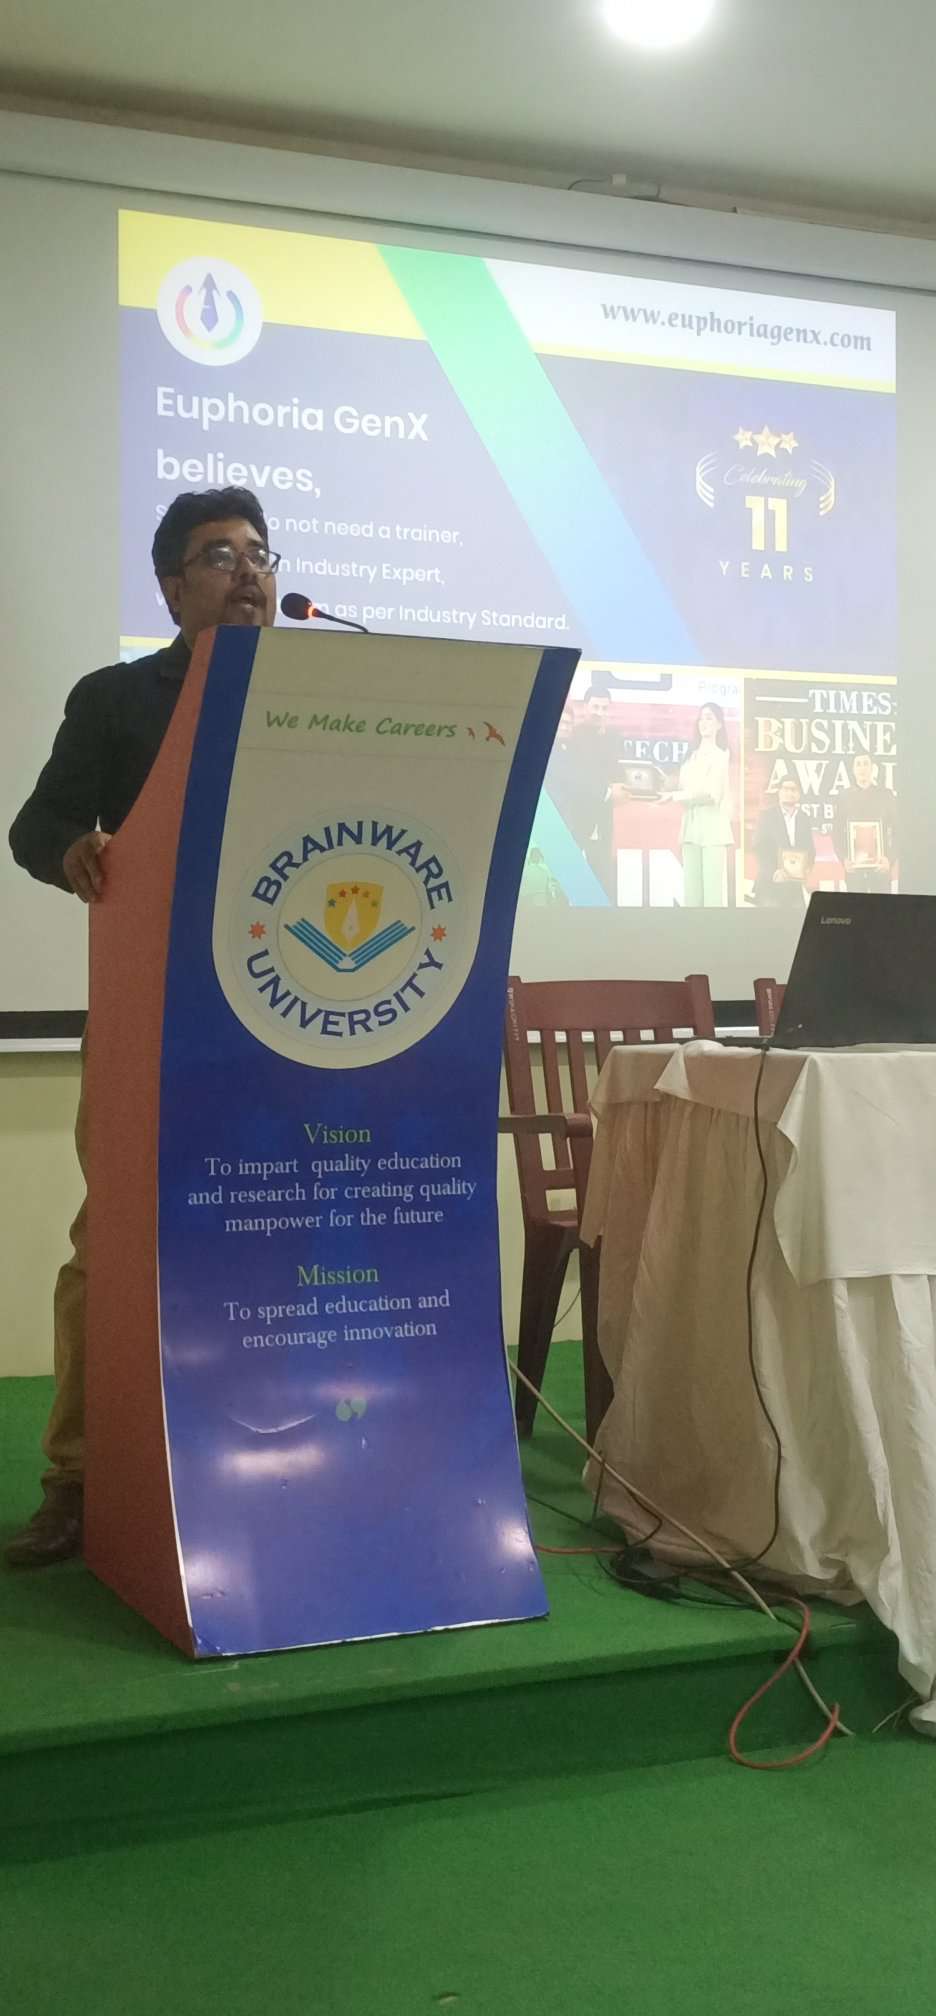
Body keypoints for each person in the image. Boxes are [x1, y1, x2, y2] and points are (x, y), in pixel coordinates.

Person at [6, 488, 278, 1567]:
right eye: (220, 556)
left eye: (260, 553)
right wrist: (73, 848)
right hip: (154, 1015)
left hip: (293, 1017)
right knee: (111, 1243)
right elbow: (37, 824)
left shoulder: (320, 700)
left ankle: (268, 1460)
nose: (249, 572)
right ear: (171, 589)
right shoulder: (119, 698)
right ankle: (78, 1480)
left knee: (273, 1237)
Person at [661, 702, 734, 908]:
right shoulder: (690, 756)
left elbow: (711, 794)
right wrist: (664, 788)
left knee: (712, 898)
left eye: (709, 717)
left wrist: (675, 796)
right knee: (691, 897)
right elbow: (682, 788)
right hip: (690, 828)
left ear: (719, 724)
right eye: (701, 718)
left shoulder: (721, 755)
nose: (704, 722)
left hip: (713, 830)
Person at [832, 753, 897, 894]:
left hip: (881, 868)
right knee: (857, 906)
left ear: (873, 768)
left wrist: (890, 859)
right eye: (858, 764)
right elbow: (836, 832)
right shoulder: (843, 797)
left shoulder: (886, 795)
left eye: (866, 764)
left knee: (882, 907)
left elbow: (898, 831)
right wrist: (844, 859)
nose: (862, 768)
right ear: (853, 769)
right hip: (854, 871)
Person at [751, 775, 815, 908]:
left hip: (794, 887)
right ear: (779, 792)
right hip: (770, 886)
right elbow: (759, 847)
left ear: (799, 794)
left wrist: (807, 866)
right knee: (772, 921)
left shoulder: (804, 818)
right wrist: (773, 872)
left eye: (794, 789)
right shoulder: (767, 816)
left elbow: (810, 848)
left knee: (798, 920)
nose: (789, 793)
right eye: (785, 789)